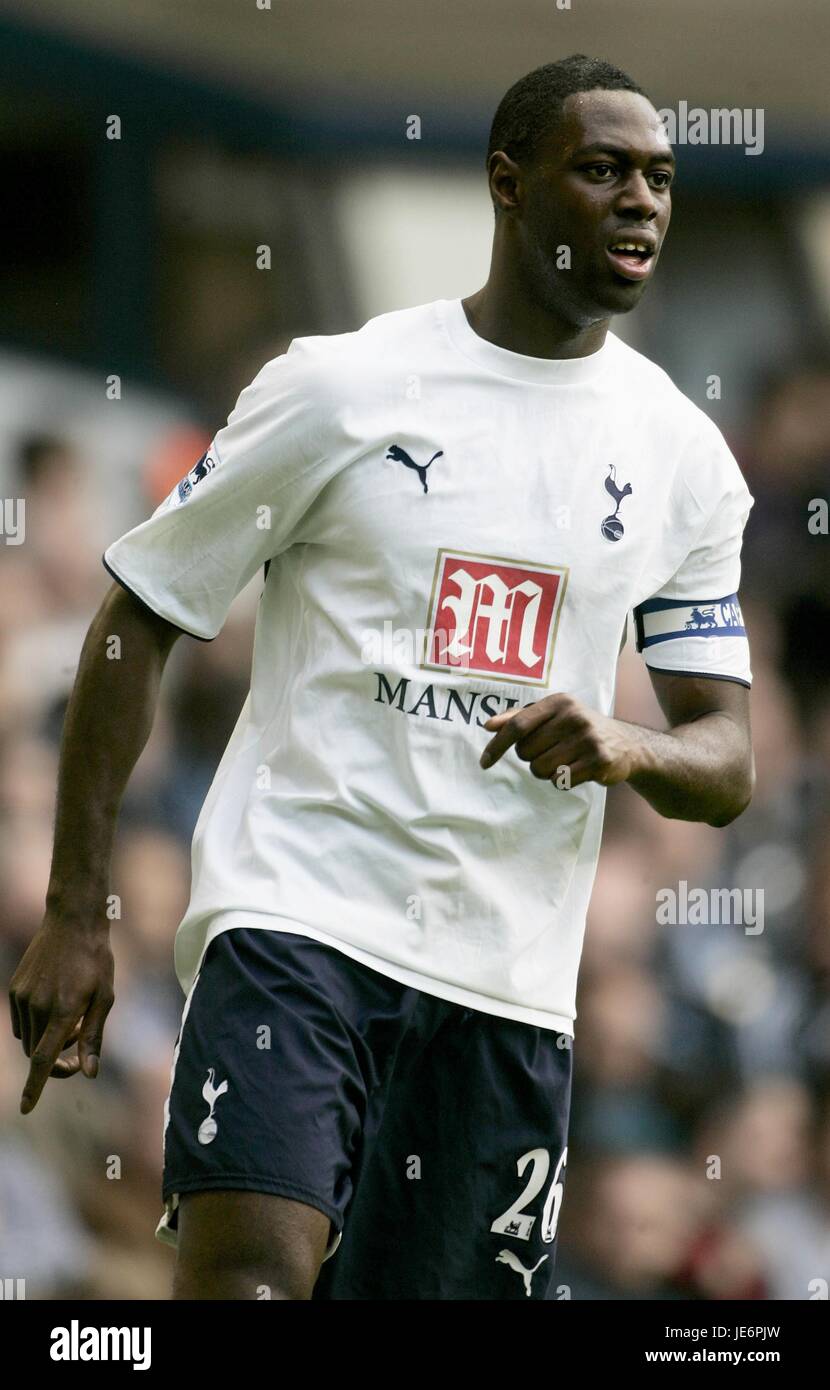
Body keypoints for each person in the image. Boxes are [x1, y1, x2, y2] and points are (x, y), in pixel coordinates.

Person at [9, 54, 755, 1300]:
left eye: (660, 179)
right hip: (298, 926)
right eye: (603, 169)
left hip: (503, 990)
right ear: (506, 186)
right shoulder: (337, 387)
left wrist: (627, 744)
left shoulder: (682, 456)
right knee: (250, 1279)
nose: (640, 203)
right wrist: (78, 910)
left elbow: (725, 760)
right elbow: (139, 616)